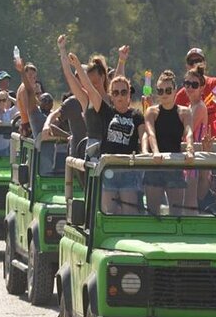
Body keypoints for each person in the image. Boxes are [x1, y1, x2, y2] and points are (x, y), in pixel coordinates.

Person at [69, 52, 145, 214]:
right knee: (107, 212)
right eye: (116, 93)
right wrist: (76, 66)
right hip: (108, 168)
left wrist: (146, 152)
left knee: (129, 212)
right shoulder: (106, 112)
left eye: (123, 92)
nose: (119, 96)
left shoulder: (136, 115)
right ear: (111, 95)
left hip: (127, 169)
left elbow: (144, 136)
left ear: (129, 94)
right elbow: (89, 88)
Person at [142, 70, 194, 216]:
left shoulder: (184, 112)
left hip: (175, 165)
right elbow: (150, 133)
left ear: (175, 91)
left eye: (168, 90)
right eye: (160, 91)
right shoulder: (152, 112)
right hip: (155, 165)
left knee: (177, 213)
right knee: (153, 213)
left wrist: (190, 148)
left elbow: (189, 131)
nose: (164, 94)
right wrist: (156, 152)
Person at [174, 47, 216, 138]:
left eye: (198, 60)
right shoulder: (182, 94)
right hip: (192, 144)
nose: (195, 64)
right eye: (191, 62)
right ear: (187, 66)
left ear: (204, 64)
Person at [15, 62, 40, 137]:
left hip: (29, 124)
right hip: (29, 125)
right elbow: (28, 110)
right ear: (25, 76)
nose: (33, 79)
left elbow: (38, 104)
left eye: (35, 77)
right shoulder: (24, 89)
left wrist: (38, 93)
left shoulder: (29, 90)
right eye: (30, 75)